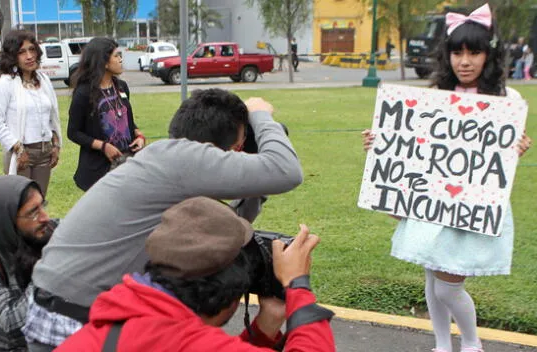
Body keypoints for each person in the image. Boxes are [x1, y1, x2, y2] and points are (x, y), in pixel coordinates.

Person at [23, 89, 303, 351]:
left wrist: (255, 187)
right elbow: (286, 171)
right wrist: (260, 114)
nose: (238, 159)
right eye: (238, 148)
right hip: (71, 319)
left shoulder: (166, 164)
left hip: (64, 307)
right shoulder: (181, 160)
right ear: (210, 148)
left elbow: (222, 233)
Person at [362, 4, 532, 352]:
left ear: (489, 55)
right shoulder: (433, 97)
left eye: (474, 52)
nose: (465, 61)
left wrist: (517, 148)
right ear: (447, 55)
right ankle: (442, 344)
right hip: (432, 204)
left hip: (469, 208)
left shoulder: (505, 100)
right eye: (457, 52)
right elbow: (412, 149)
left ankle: (471, 343)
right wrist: (382, 144)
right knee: (432, 275)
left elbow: (497, 158)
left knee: (447, 286)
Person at [55, 197, 335, 351]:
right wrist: (298, 286)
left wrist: (264, 328)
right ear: (227, 301)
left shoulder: (104, 331)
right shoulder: (183, 340)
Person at [0, 175, 54, 352]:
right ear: (8, 220)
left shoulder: (51, 232)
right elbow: (9, 324)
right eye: (33, 212)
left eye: (42, 205)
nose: (45, 217)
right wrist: (50, 270)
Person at [0, 30, 62, 196]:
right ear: (12, 56)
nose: (29, 56)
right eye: (22, 52)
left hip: (44, 152)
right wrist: (18, 149)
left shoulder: (44, 81)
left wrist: (56, 144)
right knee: (19, 204)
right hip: (20, 153)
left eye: (32, 49)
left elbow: (52, 117)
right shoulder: (4, 84)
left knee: (38, 201)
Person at [67, 37, 145, 191]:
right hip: (99, 170)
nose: (120, 59)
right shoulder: (84, 93)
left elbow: (126, 121)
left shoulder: (121, 87)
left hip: (126, 164)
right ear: (103, 62)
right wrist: (103, 146)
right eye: (116, 56)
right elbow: (73, 132)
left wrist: (139, 136)